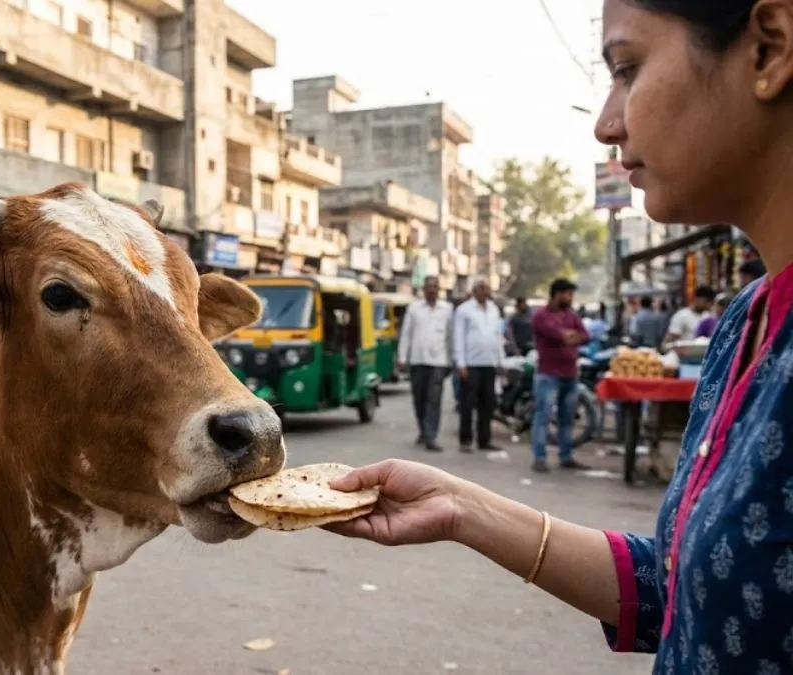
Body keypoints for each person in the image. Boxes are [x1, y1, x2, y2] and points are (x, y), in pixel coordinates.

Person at [323, 1, 793, 669]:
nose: (607, 124)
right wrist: (459, 505)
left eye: (628, 68)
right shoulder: (744, 326)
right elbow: (678, 588)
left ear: (769, 50)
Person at [528, 279, 590, 473]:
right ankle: (539, 457)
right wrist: (570, 336)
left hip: (570, 373)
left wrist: (570, 335)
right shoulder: (541, 316)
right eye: (568, 294)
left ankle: (566, 455)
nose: (571, 298)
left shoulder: (571, 315)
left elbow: (585, 335)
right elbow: (559, 335)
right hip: (548, 374)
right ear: (557, 294)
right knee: (543, 416)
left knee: (567, 417)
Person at [397, 276, 453, 452]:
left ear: (439, 289)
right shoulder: (414, 309)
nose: (432, 290)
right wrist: (402, 357)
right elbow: (406, 334)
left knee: (434, 399)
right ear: (423, 289)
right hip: (417, 360)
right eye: (428, 287)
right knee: (419, 398)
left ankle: (431, 436)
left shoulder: (447, 309)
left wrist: (453, 360)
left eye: (435, 286)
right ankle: (423, 429)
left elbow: (451, 336)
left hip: (438, 360)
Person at [452, 278, 502, 452]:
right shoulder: (464, 310)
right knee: (467, 403)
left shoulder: (494, 309)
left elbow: (497, 336)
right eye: (481, 288)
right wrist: (461, 363)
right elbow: (458, 337)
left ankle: (484, 440)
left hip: (489, 362)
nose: (484, 291)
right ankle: (465, 440)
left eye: (486, 288)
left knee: (487, 403)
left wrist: (500, 360)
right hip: (471, 363)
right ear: (474, 291)